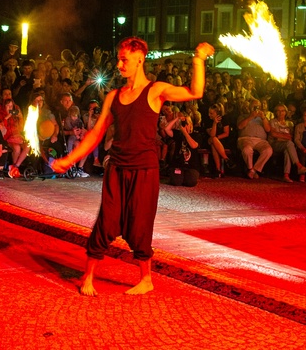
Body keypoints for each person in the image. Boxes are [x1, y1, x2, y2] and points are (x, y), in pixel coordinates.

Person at [53, 38, 214, 297]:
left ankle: (146, 278)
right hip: (117, 167)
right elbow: (95, 134)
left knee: (140, 224)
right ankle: (89, 274)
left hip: (145, 169)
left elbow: (195, 92)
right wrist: (69, 160)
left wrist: (198, 60)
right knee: (106, 221)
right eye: (119, 59)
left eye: (124, 59)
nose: (119, 64)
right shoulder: (114, 96)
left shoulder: (155, 90)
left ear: (139, 59)